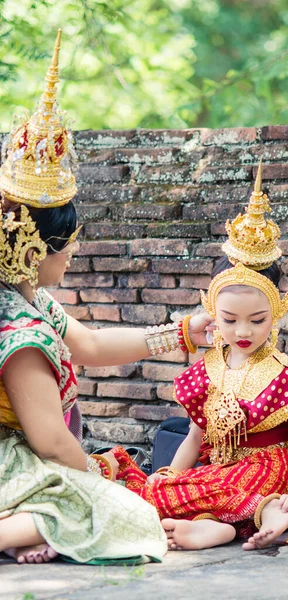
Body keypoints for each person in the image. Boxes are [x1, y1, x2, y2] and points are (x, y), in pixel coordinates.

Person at [112, 162, 288, 560]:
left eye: (257, 320)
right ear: (211, 310)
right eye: (229, 320)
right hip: (223, 472)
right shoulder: (208, 368)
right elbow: (195, 438)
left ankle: (265, 511)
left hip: (272, 469)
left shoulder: (284, 375)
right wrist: (170, 477)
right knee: (157, 487)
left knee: (188, 490)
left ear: (278, 311)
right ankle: (219, 525)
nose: (242, 330)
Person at [0, 30, 210, 565]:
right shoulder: (18, 335)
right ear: (30, 247)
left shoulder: (26, 301)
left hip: (25, 459)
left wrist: (183, 332)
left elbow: (90, 344)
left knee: (121, 481)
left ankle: (43, 527)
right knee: (131, 511)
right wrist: (99, 487)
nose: (72, 253)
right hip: (12, 465)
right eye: (66, 244)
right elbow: (50, 442)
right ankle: (28, 526)